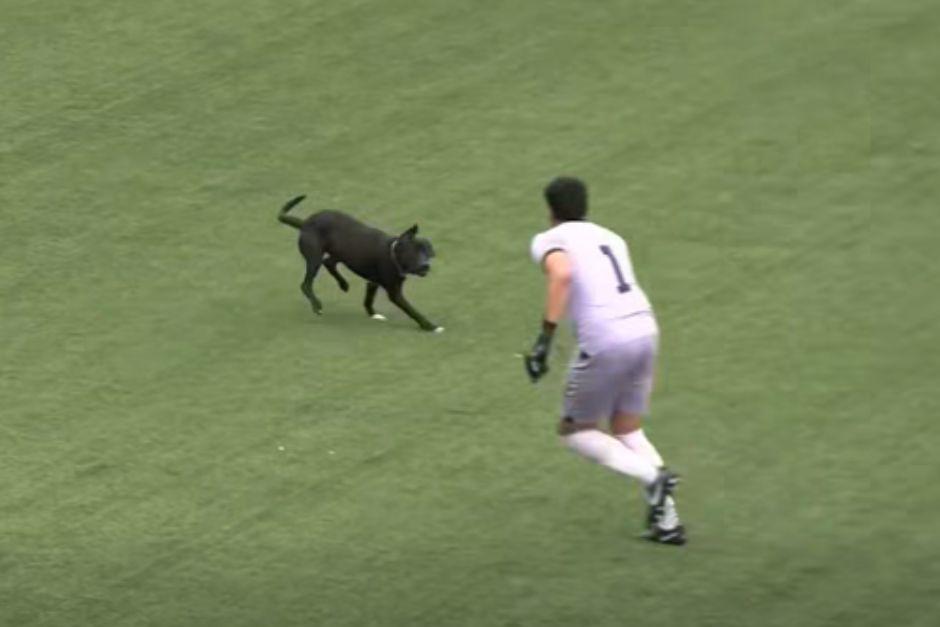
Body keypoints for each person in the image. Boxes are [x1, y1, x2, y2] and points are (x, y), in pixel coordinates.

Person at [524, 176, 686, 545]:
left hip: (606, 338)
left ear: (551, 211)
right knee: (627, 428)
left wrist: (543, 341)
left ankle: (654, 479)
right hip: (645, 329)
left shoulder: (550, 239)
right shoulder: (612, 237)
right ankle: (667, 523)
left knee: (576, 431)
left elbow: (562, 273)